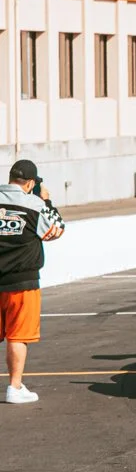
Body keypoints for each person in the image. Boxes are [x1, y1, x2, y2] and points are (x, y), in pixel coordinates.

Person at [1, 159, 66, 405]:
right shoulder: (34, 204)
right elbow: (56, 230)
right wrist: (46, 201)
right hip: (22, 282)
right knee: (17, 336)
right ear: (30, 183)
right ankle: (14, 388)